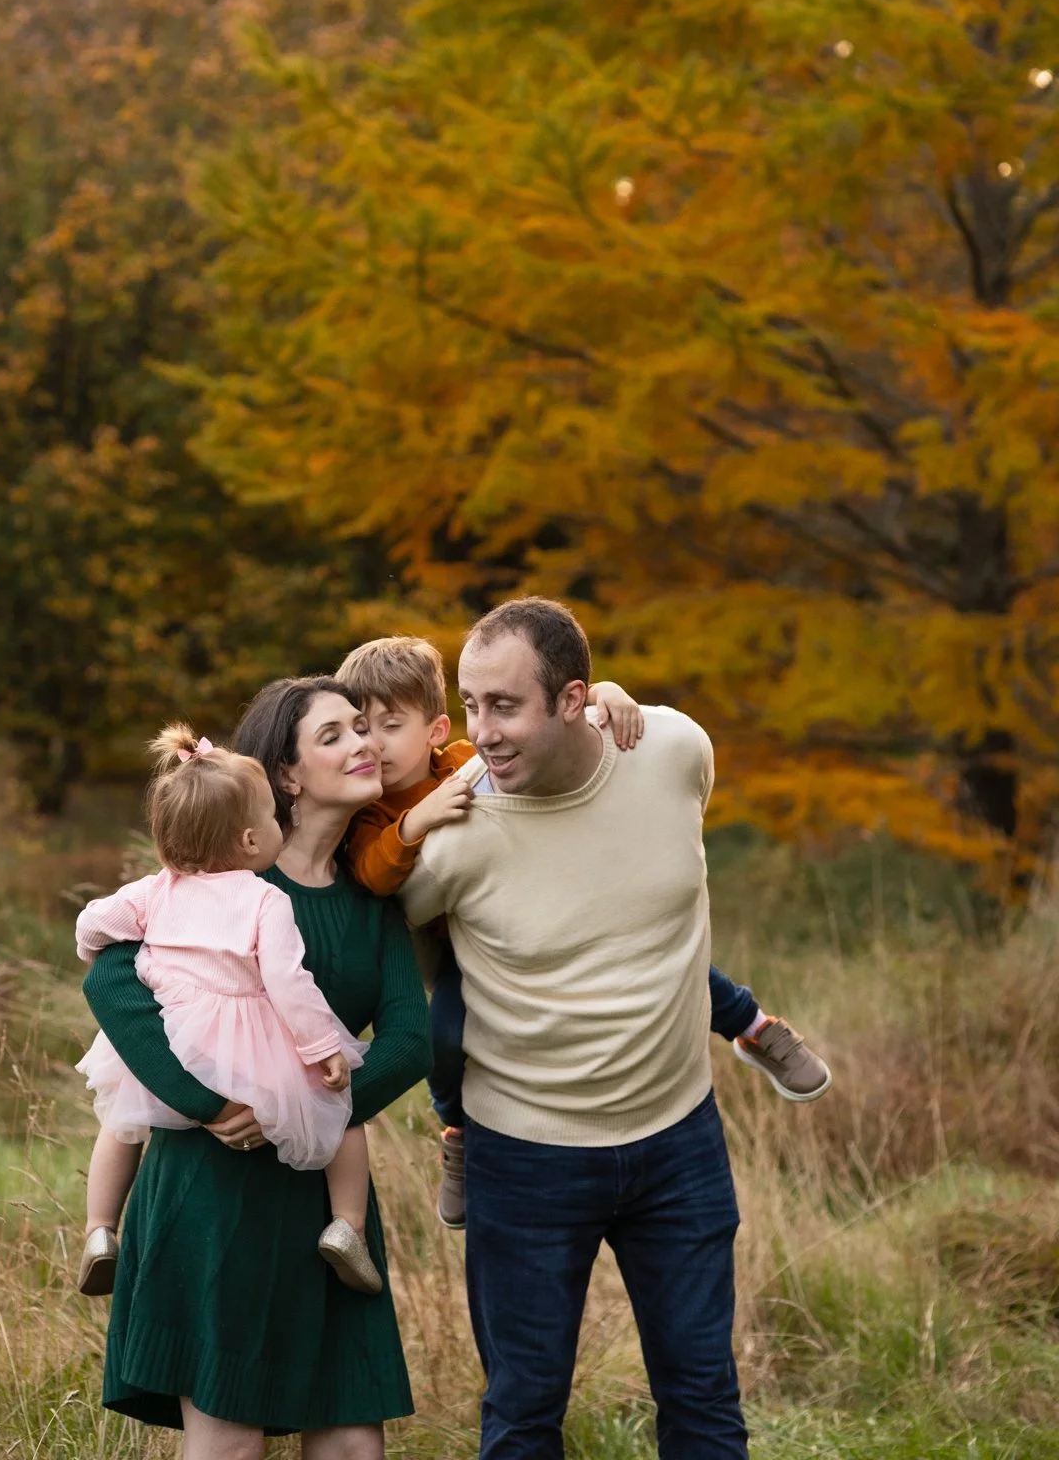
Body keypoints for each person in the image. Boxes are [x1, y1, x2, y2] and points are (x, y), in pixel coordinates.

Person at [401, 598, 753, 1460]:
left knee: (705, 1398)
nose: (482, 732)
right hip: (522, 1156)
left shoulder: (674, 753)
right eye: (471, 704)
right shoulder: (454, 838)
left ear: (574, 699)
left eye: (506, 705)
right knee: (523, 1415)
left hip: (680, 1143)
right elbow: (413, 954)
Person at [335, 634, 830, 1232]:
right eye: (361, 728)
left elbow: (548, 731)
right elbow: (372, 872)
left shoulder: (471, 757)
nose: (373, 744)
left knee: (658, 953)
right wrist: (419, 820)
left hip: (539, 906)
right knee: (443, 1035)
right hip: (462, 952)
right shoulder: (364, 807)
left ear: (437, 730)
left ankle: (755, 1028)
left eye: (391, 725)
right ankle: (458, 1130)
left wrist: (607, 695)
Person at [80, 676, 430, 1460]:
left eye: (366, 728)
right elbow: (108, 976)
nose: (365, 744)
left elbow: (412, 1034)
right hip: (214, 1187)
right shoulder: (221, 875)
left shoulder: (374, 899)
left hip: (324, 1205)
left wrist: (311, 1110)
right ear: (286, 776)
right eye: (334, 734)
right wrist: (206, 1103)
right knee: (228, 1444)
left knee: (350, 1445)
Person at [74, 724, 380, 1303]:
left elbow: (91, 923)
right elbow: (289, 983)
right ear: (247, 840)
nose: (277, 825)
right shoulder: (266, 898)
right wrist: (322, 1049)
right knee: (342, 1113)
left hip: (176, 1039)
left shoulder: (154, 892)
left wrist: (95, 946)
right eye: (269, 816)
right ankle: (347, 1227)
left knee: (120, 1121)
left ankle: (99, 1230)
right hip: (246, 1048)